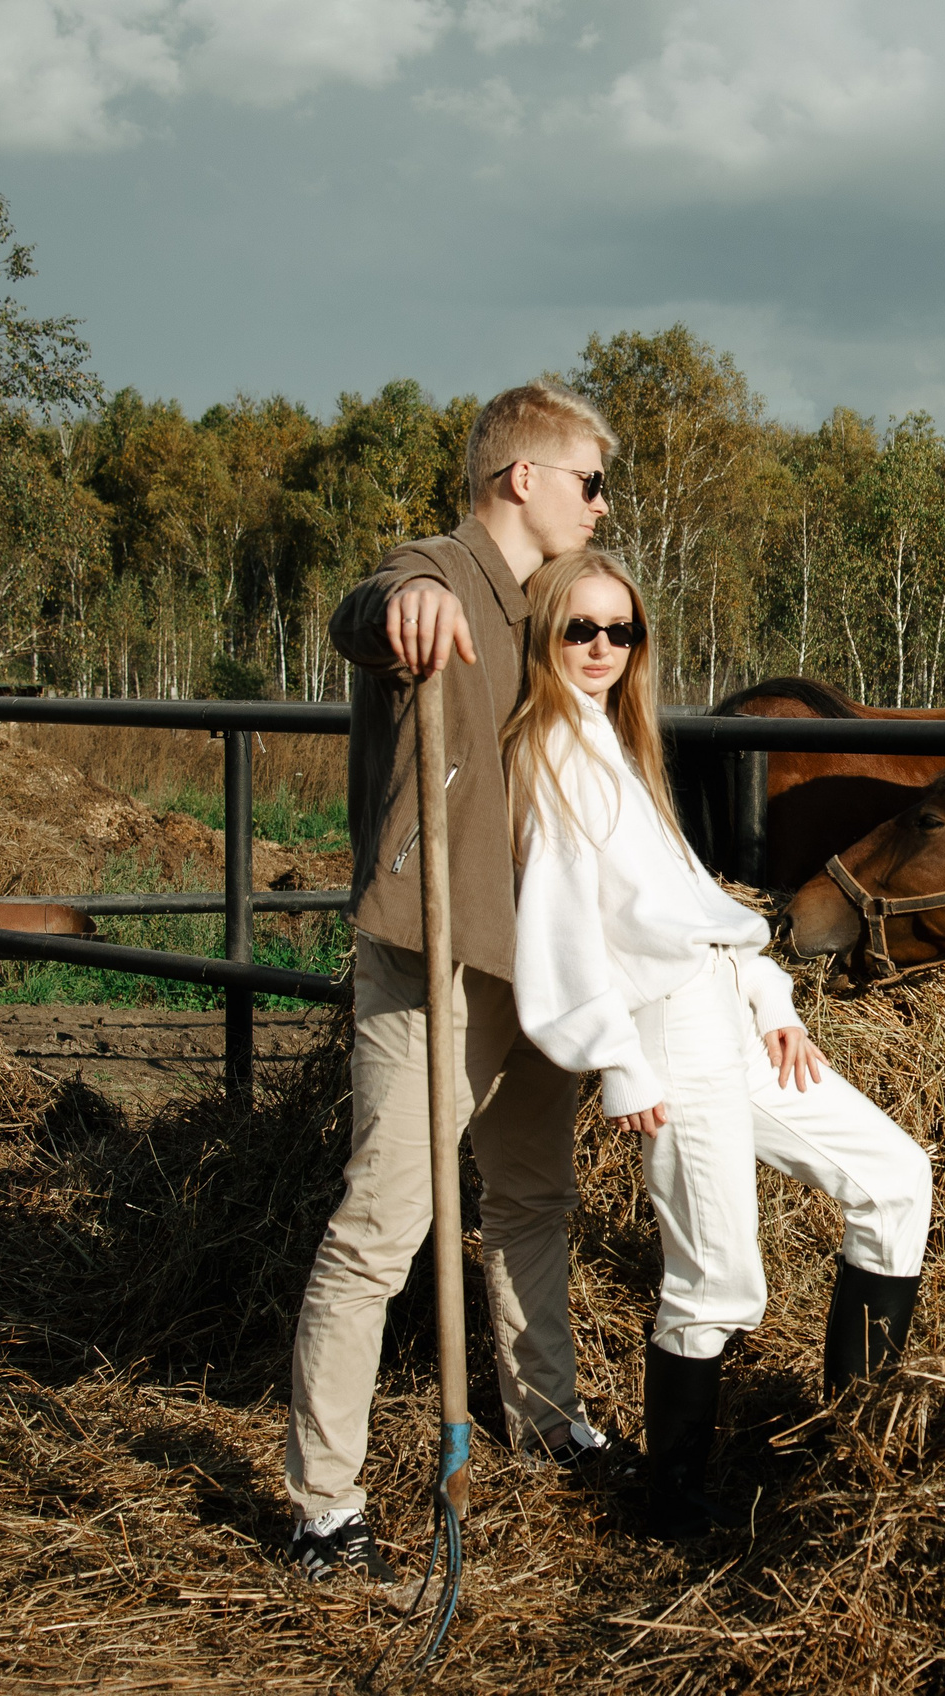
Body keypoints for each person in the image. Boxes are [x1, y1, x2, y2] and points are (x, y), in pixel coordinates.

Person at [504, 547, 932, 1539]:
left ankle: (848, 1441)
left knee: (895, 1175)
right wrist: (615, 1057)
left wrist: (768, 994)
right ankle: (678, 1505)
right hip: (662, 1029)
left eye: (622, 630)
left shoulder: (619, 742)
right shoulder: (550, 756)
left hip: (727, 1011)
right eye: (580, 629)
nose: (603, 648)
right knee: (718, 1280)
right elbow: (560, 932)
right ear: (544, 636)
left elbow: (695, 911)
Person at [286, 380, 626, 1584]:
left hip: (540, 957)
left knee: (532, 1201)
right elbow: (366, 603)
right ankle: (325, 1503)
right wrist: (407, 604)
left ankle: (544, 1418)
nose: (601, 500)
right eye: (590, 478)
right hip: (438, 954)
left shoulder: (550, 604)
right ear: (520, 478)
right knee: (383, 1226)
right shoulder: (438, 570)